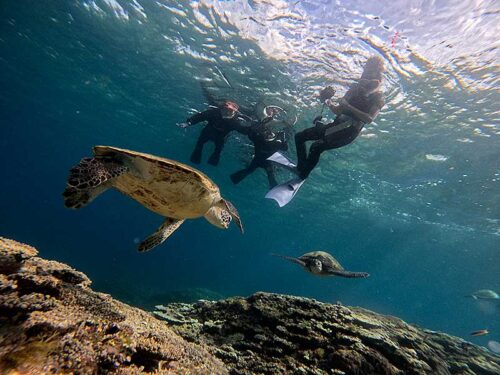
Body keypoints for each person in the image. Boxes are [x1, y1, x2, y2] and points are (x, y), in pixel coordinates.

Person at [266, 56, 386, 207]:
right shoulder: (354, 89)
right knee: (299, 137)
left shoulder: (378, 97)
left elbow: (369, 119)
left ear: (378, 75)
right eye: (366, 72)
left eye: (371, 74)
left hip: (348, 131)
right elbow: (337, 110)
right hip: (335, 125)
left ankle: (303, 173)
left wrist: (348, 106)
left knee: (317, 146)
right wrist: (327, 100)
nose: (366, 78)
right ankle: (300, 169)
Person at [230, 106, 294, 188]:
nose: (268, 136)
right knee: (259, 173)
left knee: (269, 176)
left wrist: (284, 136)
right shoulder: (261, 140)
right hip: (262, 161)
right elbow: (251, 133)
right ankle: (233, 180)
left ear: (275, 135)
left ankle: (274, 188)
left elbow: (285, 148)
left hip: (261, 161)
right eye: (267, 134)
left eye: (270, 134)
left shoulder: (268, 142)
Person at [180, 101, 245, 166]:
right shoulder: (213, 113)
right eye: (226, 110)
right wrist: (188, 123)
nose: (227, 113)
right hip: (208, 131)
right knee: (200, 144)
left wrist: (252, 130)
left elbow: (243, 130)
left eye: (230, 111)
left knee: (218, 150)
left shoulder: (235, 122)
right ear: (221, 109)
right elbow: (200, 116)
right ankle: (197, 158)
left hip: (221, 136)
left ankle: (212, 160)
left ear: (234, 113)